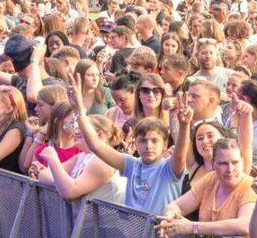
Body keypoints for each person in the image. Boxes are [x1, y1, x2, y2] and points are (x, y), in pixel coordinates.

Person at [68, 72, 191, 215]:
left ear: (165, 145)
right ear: (136, 143)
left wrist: (184, 126)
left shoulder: (170, 168)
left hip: (161, 235)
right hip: (133, 234)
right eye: (143, 141)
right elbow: (96, 145)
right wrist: (79, 110)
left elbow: (181, 155)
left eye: (154, 141)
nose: (148, 146)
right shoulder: (132, 164)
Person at [156, 138, 257, 238]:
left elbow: (245, 225)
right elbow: (177, 206)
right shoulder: (211, 179)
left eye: (235, 162)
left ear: (242, 161)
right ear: (213, 163)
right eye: (223, 163)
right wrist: (169, 218)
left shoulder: (251, 186)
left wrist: (193, 227)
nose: (230, 169)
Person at [35, 113, 126, 203]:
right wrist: (60, 183)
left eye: (82, 128)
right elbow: (43, 174)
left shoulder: (103, 160)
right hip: (81, 217)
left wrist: (53, 159)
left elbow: (70, 192)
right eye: (77, 128)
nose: (76, 131)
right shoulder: (82, 156)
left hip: (103, 217)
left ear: (99, 134)